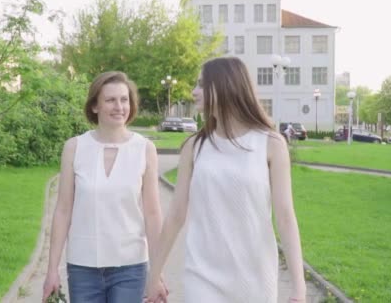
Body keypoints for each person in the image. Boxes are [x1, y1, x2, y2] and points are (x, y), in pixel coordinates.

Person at [145, 57, 307, 303]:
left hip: (254, 277)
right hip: (202, 275)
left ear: (224, 86)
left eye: (201, 84)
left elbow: (285, 217)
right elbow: (176, 215)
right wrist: (154, 276)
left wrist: (299, 287)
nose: (193, 92)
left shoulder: (271, 144)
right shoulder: (194, 146)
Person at [42, 71, 164, 303]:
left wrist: (157, 273)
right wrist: (51, 270)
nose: (119, 106)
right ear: (95, 106)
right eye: (110, 100)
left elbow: (153, 213)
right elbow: (63, 210)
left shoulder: (144, 149)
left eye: (124, 99)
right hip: (83, 267)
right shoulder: (74, 147)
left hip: (131, 267)